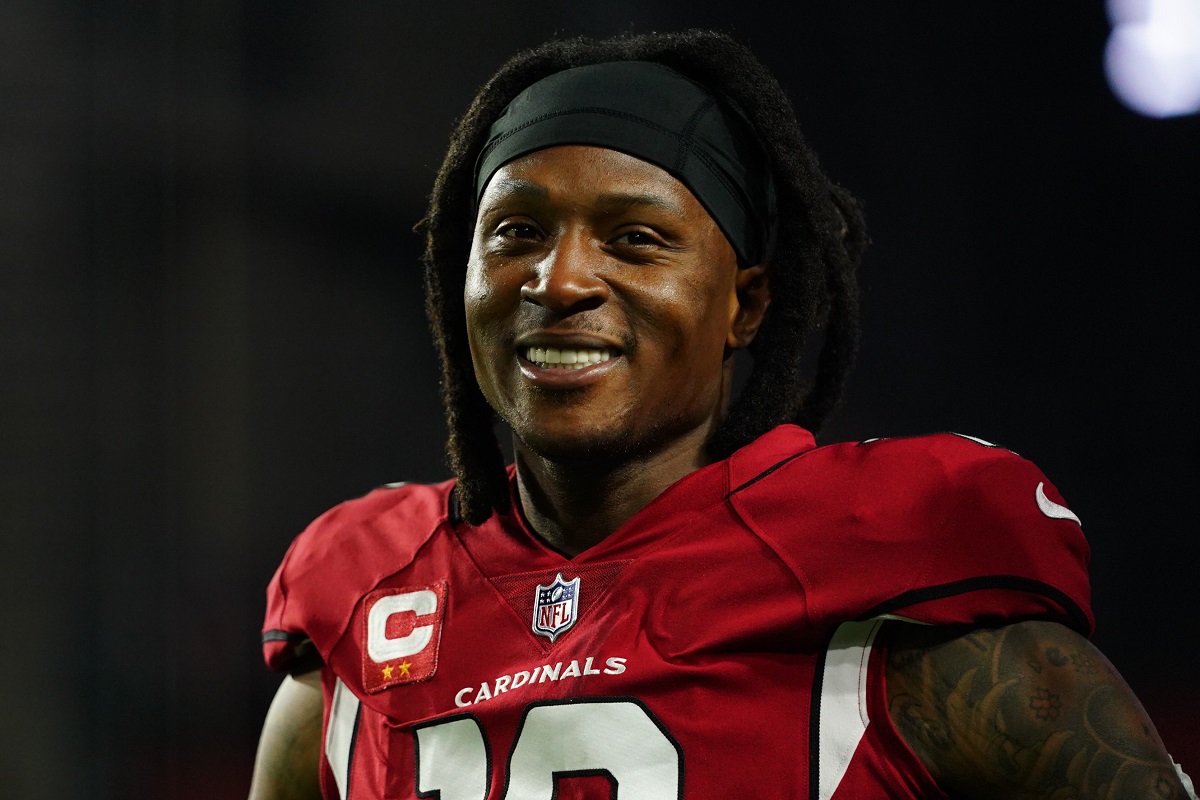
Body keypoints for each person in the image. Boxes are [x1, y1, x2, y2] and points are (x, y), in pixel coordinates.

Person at [248, 29, 1196, 800]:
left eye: (636, 239)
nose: (561, 280)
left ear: (744, 305)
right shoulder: (364, 600)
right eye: (517, 233)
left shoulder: (893, 576)